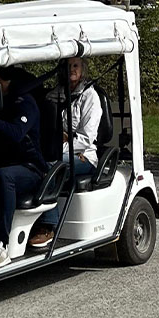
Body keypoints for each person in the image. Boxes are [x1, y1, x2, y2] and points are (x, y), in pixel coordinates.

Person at [29, 57, 104, 250]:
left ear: (83, 68)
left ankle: (48, 225)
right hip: (57, 149)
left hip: (83, 156)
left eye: (75, 65)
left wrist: (58, 147)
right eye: (68, 66)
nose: (72, 69)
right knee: (31, 164)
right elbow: (47, 113)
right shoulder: (58, 93)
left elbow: (86, 138)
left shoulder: (90, 97)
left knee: (50, 167)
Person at [0, 64, 48, 269]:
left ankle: (1, 244)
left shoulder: (25, 103)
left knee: (5, 176)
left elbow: (16, 133)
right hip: (3, 164)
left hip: (30, 168)